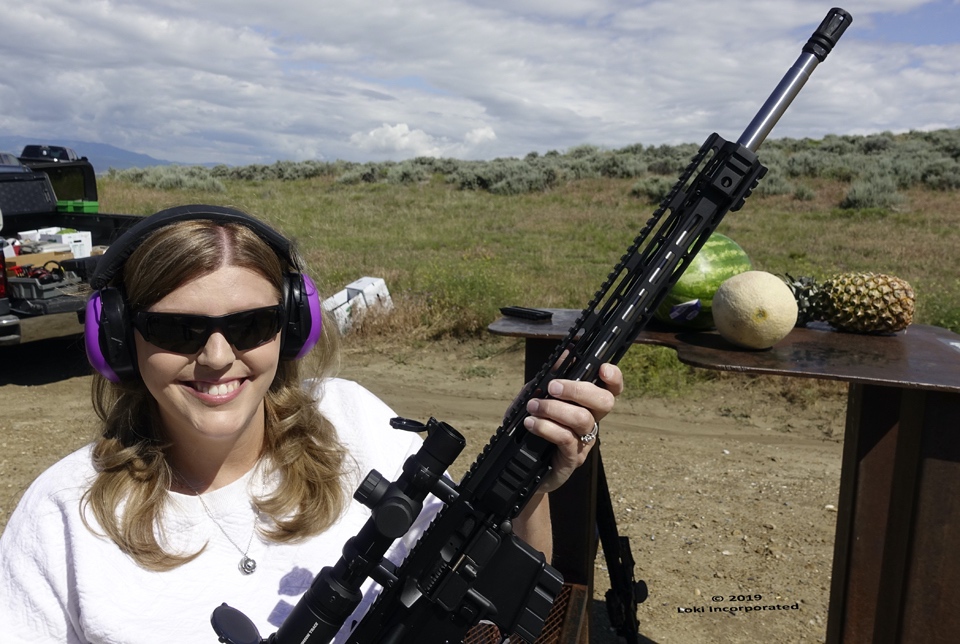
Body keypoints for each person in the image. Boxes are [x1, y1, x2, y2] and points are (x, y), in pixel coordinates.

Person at [0, 204, 623, 643]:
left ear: (292, 326)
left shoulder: (354, 420)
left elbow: (494, 590)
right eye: (176, 329)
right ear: (116, 338)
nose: (217, 357)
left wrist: (531, 479)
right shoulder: (64, 514)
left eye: (249, 325)